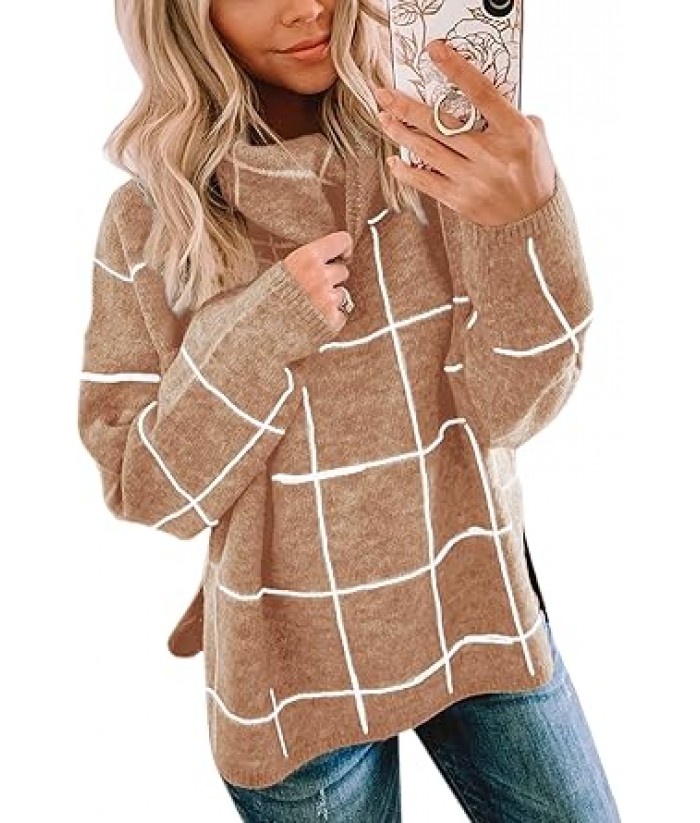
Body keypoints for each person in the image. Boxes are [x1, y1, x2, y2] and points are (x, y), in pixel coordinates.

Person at [77, 0, 621, 819]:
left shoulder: (434, 154)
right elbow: (150, 491)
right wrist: (261, 328)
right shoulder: (149, 223)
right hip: (292, 678)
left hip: (474, 608)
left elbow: (513, 408)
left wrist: (527, 219)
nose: (308, 7)